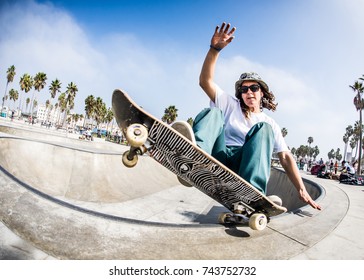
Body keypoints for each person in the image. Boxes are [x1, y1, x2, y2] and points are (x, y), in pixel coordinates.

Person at [174, 22, 321, 210]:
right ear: (240, 94)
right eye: (244, 89)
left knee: (263, 129)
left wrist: (301, 188)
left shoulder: (269, 123)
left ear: (262, 93)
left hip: (243, 166)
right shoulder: (229, 103)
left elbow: (285, 157)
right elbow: (205, 81)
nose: (249, 92)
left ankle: (253, 194)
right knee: (213, 112)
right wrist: (214, 50)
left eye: (254, 88)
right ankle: (193, 156)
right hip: (219, 156)